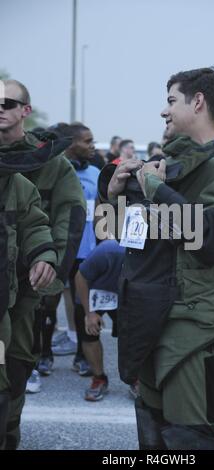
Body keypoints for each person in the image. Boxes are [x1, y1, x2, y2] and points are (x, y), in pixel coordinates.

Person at [98, 67, 214, 450]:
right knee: (152, 439)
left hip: (200, 332)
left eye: (170, 101)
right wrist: (114, 194)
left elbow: (212, 237)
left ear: (197, 102)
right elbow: (119, 232)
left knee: (189, 442)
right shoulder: (177, 166)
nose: (163, 112)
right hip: (155, 322)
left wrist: (154, 187)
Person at [0, 80, 86, 449]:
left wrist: (50, 276)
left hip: (28, 289)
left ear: (25, 110)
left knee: (16, 368)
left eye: (7, 102)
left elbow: (66, 222)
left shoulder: (52, 164)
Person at [0, 84, 60, 449]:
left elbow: (37, 226)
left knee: (6, 391)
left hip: (8, 307)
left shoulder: (15, 182)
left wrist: (45, 258)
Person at [52, 123, 99, 377]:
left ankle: (82, 355)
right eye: (87, 141)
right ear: (71, 144)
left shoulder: (95, 172)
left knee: (83, 306)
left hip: (86, 252)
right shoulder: (55, 172)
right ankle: (43, 357)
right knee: (48, 304)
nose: (92, 145)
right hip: (60, 249)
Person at [75, 239, 125, 400]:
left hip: (125, 294)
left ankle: (137, 379)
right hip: (94, 291)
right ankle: (99, 378)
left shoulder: (149, 255)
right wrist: (89, 313)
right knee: (88, 331)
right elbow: (80, 277)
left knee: (134, 335)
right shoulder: (107, 251)